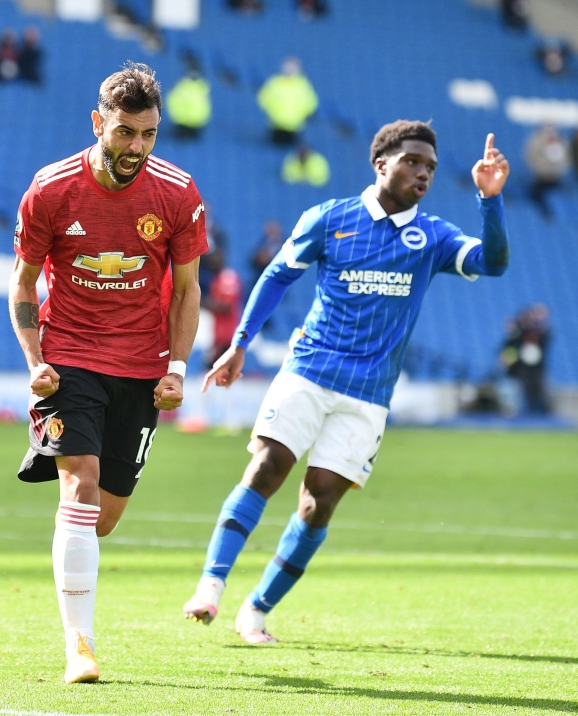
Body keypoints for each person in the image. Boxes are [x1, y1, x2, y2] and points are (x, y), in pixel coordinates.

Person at [182, 121, 510, 643]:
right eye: (412, 162)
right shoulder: (330, 218)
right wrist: (240, 342)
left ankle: (257, 608)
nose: (423, 173)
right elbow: (278, 274)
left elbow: (492, 263)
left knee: (319, 504)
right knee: (267, 467)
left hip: (368, 394)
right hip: (310, 369)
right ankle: (210, 585)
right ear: (381, 164)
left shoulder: (434, 236)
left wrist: (489, 199)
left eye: (429, 167)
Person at [9, 62, 207, 683]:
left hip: (141, 368)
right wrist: (37, 361)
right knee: (81, 486)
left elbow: (188, 290)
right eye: (125, 132)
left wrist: (177, 369)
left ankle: (71, 555)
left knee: (105, 516)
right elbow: (23, 282)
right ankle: (80, 646)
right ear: (98, 123)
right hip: (69, 356)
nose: (137, 147)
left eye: (148, 134)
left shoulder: (177, 193)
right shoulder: (50, 189)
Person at [501, 304, 551, 414]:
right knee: (518, 395)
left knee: (538, 396)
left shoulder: (542, 334)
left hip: (536, 371)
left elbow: (544, 336)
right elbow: (509, 348)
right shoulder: (518, 334)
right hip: (519, 371)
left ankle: (541, 413)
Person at [256, 58, 319, 145]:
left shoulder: (303, 84)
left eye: (292, 69)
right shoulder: (275, 82)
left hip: (295, 126)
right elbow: (263, 97)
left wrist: (307, 113)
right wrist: (271, 110)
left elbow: (311, 101)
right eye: (288, 68)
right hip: (276, 125)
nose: (290, 71)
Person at [525, 123, 570, 218]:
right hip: (539, 180)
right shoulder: (537, 143)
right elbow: (531, 157)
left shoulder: (562, 144)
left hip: (556, 179)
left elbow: (566, 160)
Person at [203, 267, 243, 368]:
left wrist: (202, 303)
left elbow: (226, 306)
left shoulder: (228, 278)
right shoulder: (216, 278)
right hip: (218, 336)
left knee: (222, 369)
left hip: (228, 336)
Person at [165, 64, 211, 140]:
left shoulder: (182, 86)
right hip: (190, 122)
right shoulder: (202, 87)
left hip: (186, 121)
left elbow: (171, 100)